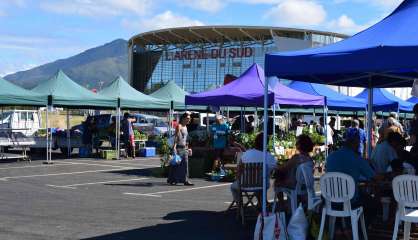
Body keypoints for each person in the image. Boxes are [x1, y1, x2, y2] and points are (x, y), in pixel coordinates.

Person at [326, 130, 377, 203]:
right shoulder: (357, 158)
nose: (359, 144)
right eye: (359, 142)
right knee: (372, 200)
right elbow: (374, 177)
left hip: (330, 201)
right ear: (355, 142)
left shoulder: (330, 157)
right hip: (350, 201)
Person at [230, 132, 277, 204]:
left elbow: (239, 170)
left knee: (233, 187)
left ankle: (240, 205)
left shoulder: (246, 154)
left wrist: (238, 178)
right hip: (262, 185)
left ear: (255, 142)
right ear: (266, 144)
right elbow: (274, 170)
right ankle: (262, 202)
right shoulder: (268, 156)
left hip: (244, 184)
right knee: (263, 180)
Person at [168, 112, 193, 186]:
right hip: (178, 148)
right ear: (183, 118)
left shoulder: (185, 127)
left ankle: (185, 180)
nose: (189, 120)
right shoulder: (179, 126)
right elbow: (176, 137)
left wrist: (188, 148)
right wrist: (174, 148)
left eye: (189, 118)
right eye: (188, 118)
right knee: (176, 164)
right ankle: (172, 179)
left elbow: (185, 139)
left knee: (185, 165)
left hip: (184, 148)